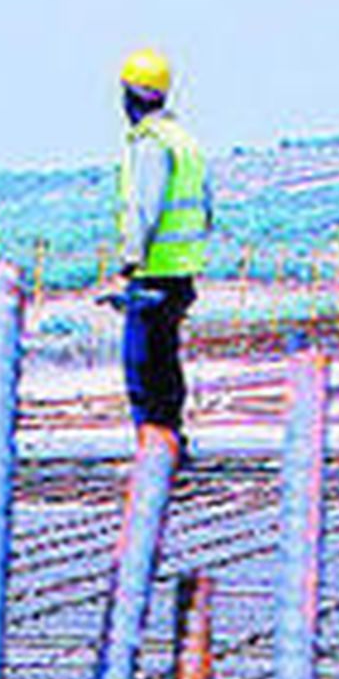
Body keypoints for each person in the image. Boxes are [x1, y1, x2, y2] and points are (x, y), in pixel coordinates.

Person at [113, 46, 212, 460]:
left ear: (129, 95)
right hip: (181, 273)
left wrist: (130, 261)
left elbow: (145, 209)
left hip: (152, 274)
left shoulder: (152, 144)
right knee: (166, 364)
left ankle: (155, 450)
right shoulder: (184, 141)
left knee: (144, 368)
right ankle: (172, 441)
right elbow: (206, 208)